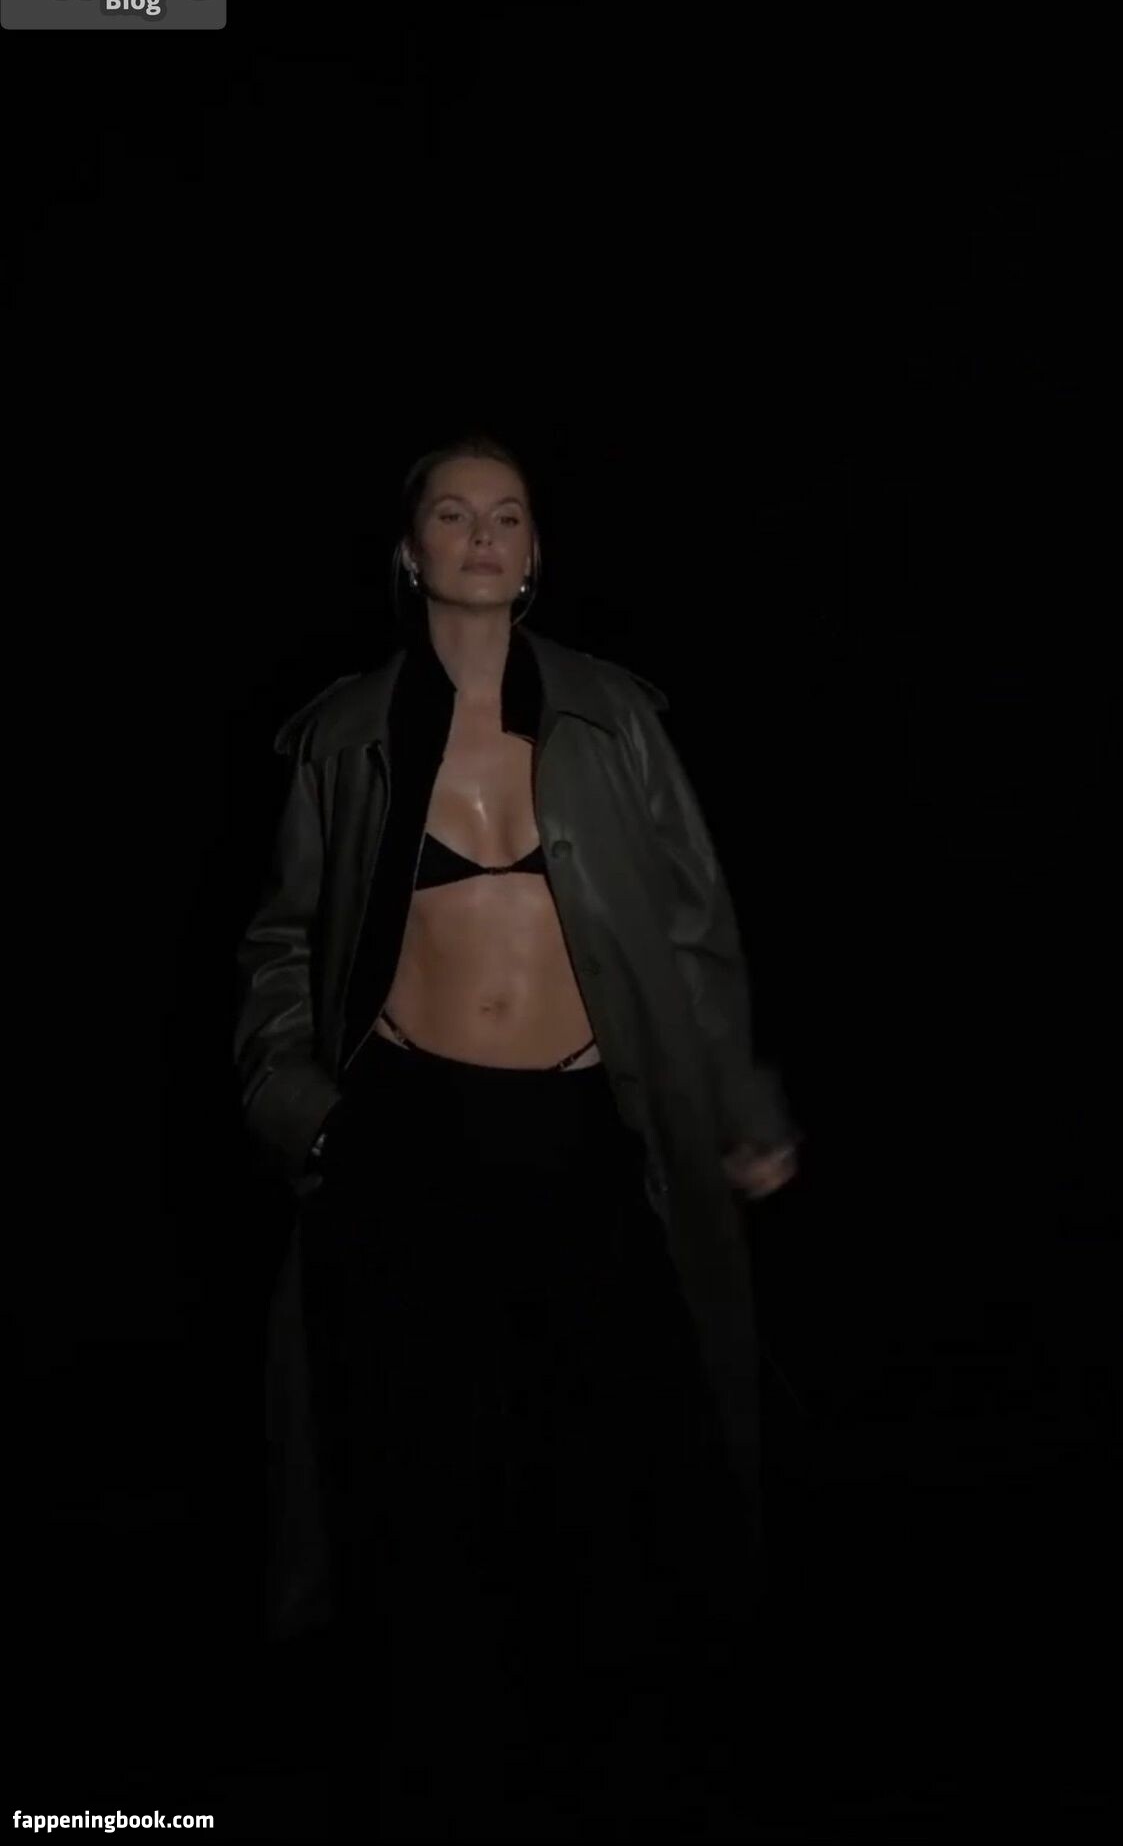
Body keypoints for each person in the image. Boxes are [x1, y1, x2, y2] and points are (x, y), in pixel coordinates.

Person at [234, 433, 799, 1814]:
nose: (481, 534)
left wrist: (736, 1102)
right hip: (410, 1134)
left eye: (507, 515)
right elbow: (282, 944)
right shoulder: (344, 734)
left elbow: (694, 925)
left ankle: (622, 1761)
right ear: (410, 549)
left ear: (535, 554)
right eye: (452, 512)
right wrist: (303, 1111)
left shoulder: (614, 717)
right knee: (418, 1479)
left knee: (616, 1468)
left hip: (581, 1129)